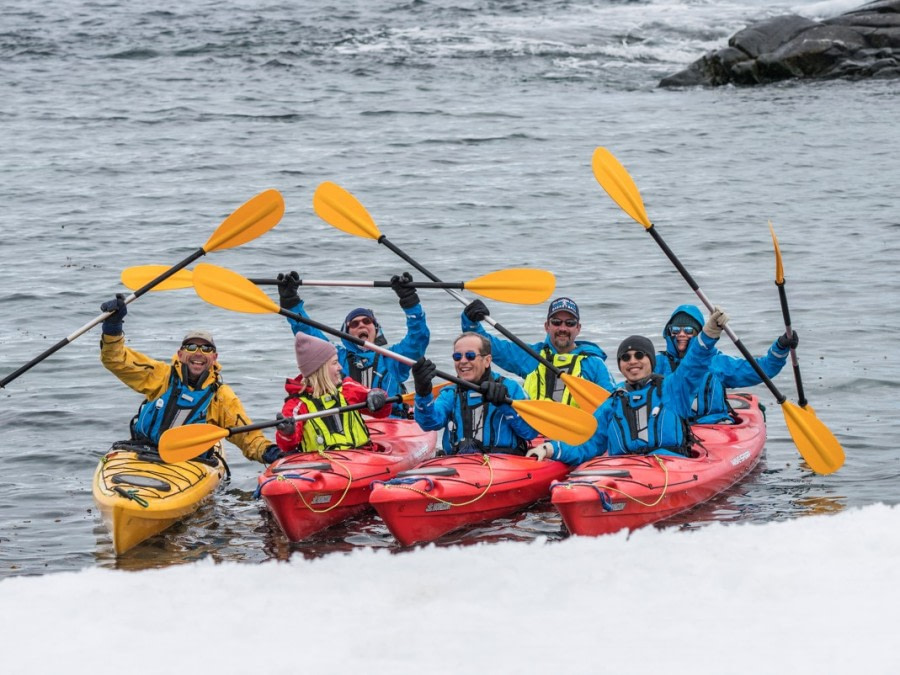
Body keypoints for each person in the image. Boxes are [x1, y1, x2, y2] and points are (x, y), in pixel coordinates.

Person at [527, 309, 729, 465]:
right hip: (626, 471)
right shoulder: (613, 402)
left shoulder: (673, 389)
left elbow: (693, 365)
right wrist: (550, 449)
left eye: (639, 356)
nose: (633, 361)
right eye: (625, 358)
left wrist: (708, 335)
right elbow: (587, 445)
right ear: (620, 365)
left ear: (651, 360)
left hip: (670, 467)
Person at [98, 295, 281, 464]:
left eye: (206, 349)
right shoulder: (161, 375)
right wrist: (113, 328)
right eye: (191, 347)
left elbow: (247, 436)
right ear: (180, 354)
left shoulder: (221, 396)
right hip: (143, 450)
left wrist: (271, 452)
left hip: (191, 462)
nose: (199, 353)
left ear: (214, 357)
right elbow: (117, 361)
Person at [277, 270, 429, 418]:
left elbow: (418, 339)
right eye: (354, 324)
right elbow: (307, 332)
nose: (361, 325)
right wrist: (291, 303)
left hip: (391, 424)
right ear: (347, 334)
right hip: (349, 425)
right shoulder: (334, 356)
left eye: (367, 321)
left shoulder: (392, 358)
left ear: (376, 330)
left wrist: (410, 301)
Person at [460, 296, 615, 407]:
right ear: (547, 326)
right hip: (535, 433)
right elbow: (488, 346)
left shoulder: (594, 364)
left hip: (577, 436)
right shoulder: (531, 356)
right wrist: (471, 322)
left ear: (578, 328)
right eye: (556, 322)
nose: (562, 328)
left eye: (569, 323)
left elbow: (611, 403)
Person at [657, 304, 798, 424]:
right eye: (675, 330)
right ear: (669, 333)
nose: (681, 334)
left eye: (688, 330)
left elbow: (763, 369)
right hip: (672, 428)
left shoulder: (717, 363)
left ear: (699, 333)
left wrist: (780, 348)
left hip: (713, 427)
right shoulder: (657, 363)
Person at [410, 332, 538, 455]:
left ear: (487, 361)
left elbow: (530, 433)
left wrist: (505, 405)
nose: (463, 361)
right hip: (461, 465)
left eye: (470, 356)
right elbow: (429, 424)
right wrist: (423, 392)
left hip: (504, 465)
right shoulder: (450, 393)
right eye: (457, 357)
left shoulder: (511, 388)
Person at [274, 333, 392, 454]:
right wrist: (287, 433)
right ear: (321, 369)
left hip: (363, 457)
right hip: (324, 465)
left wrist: (378, 397)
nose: (340, 367)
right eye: (335, 363)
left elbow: (382, 412)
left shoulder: (348, 388)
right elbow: (287, 446)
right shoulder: (296, 405)